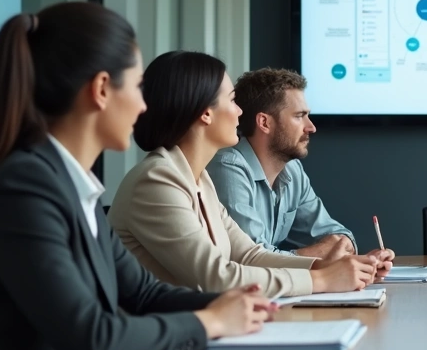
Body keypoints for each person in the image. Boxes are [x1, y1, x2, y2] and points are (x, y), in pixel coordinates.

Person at [0, 3, 274, 350]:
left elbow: (139, 291)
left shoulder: (66, 183)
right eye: (138, 86)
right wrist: (210, 323)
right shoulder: (22, 190)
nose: (144, 105)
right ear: (102, 90)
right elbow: (91, 338)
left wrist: (234, 302)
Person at [108, 51, 392, 298]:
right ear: (205, 114)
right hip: (155, 348)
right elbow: (217, 277)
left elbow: (249, 255)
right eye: (232, 101)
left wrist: (334, 268)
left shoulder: (197, 179)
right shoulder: (157, 180)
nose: (240, 111)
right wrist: (322, 279)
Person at [207, 68, 355, 258]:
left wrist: (350, 249)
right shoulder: (227, 168)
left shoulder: (292, 170)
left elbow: (334, 234)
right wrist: (319, 253)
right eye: (299, 116)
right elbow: (250, 259)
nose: (311, 127)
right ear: (265, 123)